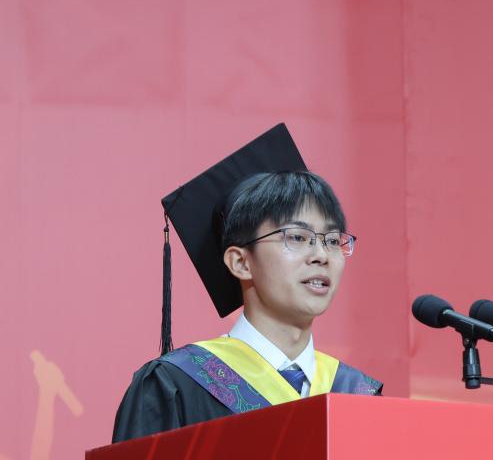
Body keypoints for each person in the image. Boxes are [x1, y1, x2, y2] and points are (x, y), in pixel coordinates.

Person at [112, 124, 382, 442]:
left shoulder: (356, 396)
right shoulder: (177, 385)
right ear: (241, 262)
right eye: (298, 237)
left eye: (333, 240)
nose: (321, 255)